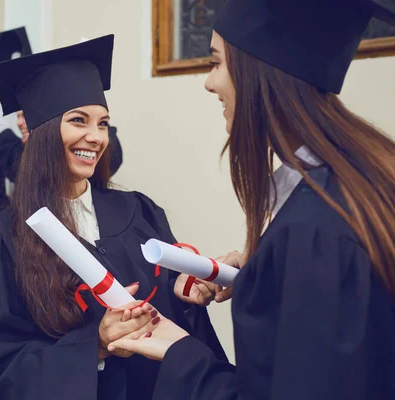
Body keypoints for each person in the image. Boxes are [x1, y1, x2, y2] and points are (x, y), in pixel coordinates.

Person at [107, 1, 395, 399]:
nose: (209, 82)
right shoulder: (364, 182)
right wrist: (263, 272)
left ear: (260, 73)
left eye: (216, 62)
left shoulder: (314, 233)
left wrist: (180, 354)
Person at [0, 35, 226, 400]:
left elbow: (172, 314)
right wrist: (95, 346)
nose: (95, 136)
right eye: (79, 120)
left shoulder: (138, 211)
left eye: (103, 124)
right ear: (39, 133)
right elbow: (0, 371)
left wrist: (184, 294)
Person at [0, 28, 124, 198]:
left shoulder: (100, 147)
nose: (95, 137)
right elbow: (5, 147)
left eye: (102, 124)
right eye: (18, 116)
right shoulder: (24, 157)